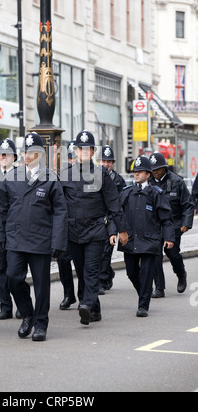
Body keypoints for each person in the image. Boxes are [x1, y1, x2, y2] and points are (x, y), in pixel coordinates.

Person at [0, 132, 68, 341]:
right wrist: (0, 235)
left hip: (41, 240)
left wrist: (58, 241)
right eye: (25, 152)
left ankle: (41, 323)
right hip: (16, 239)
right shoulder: (12, 177)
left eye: (32, 152)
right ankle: (27, 314)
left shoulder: (50, 179)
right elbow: (0, 208)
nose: (28, 156)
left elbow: (60, 212)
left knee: (41, 284)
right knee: (12, 278)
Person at [60, 130, 129, 326]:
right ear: (76, 151)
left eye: (87, 149)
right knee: (81, 272)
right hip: (73, 233)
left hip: (95, 230)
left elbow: (113, 204)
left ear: (92, 152)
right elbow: (58, 205)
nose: (83, 152)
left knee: (91, 272)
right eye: (80, 149)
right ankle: (95, 310)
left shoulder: (102, 175)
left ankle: (87, 305)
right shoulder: (65, 174)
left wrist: (121, 230)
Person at [116, 155, 175, 317]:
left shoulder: (156, 194)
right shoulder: (127, 193)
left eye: (140, 172)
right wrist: (112, 233)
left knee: (147, 273)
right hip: (130, 240)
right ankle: (145, 291)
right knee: (131, 272)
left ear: (148, 174)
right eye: (135, 171)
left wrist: (169, 238)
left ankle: (143, 305)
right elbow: (117, 215)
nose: (136, 174)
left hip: (150, 241)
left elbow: (166, 218)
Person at [149, 152, 194, 297]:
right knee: (155, 256)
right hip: (154, 226)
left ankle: (181, 274)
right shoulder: (148, 182)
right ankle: (159, 288)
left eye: (157, 169)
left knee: (172, 254)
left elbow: (188, 204)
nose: (154, 172)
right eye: (152, 169)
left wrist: (186, 223)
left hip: (173, 225)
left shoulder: (177, 182)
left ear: (164, 168)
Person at [0, 138, 21, 320]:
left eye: (8, 154)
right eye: (1, 154)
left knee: (15, 272)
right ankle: (5, 305)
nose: (4, 157)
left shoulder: (22, 176)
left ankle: (21, 304)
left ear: (14, 157)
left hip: (16, 231)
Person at [98, 145, 126, 294]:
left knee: (106, 250)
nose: (106, 164)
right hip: (97, 218)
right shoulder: (92, 177)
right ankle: (107, 273)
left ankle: (102, 281)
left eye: (109, 161)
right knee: (98, 251)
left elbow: (121, 204)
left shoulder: (119, 181)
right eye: (103, 161)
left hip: (112, 219)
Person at [57, 140, 82, 310]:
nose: (73, 161)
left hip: (84, 226)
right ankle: (68, 294)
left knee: (83, 266)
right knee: (63, 261)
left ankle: (84, 296)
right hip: (67, 226)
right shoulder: (64, 175)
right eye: (71, 158)